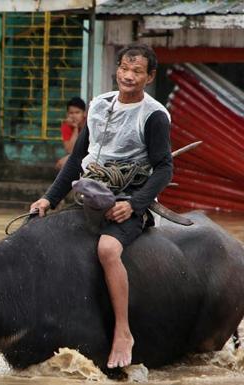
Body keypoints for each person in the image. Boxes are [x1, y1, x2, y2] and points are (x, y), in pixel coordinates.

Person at [30, 43, 172, 369]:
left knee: (108, 249)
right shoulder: (97, 106)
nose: (129, 76)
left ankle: (123, 331)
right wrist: (48, 198)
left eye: (137, 71)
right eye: (124, 68)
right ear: (117, 69)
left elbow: (164, 167)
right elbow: (77, 159)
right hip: (88, 194)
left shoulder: (154, 116)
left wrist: (135, 205)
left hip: (127, 198)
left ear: (149, 77)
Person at [56, 97, 87, 170]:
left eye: (77, 112)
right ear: (67, 114)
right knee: (61, 164)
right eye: (71, 113)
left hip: (91, 153)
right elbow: (70, 150)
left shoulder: (89, 123)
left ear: (84, 113)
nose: (74, 116)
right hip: (77, 154)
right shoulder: (66, 126)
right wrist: (75, 129)